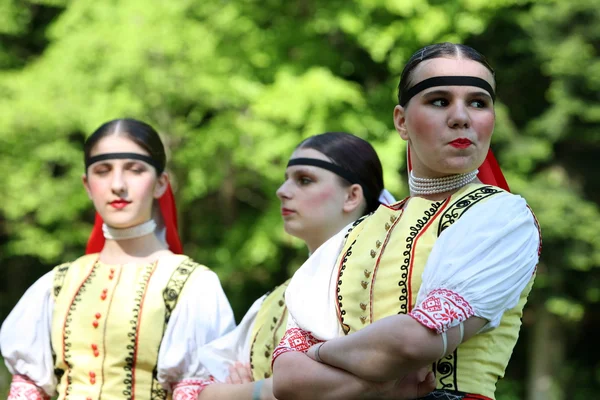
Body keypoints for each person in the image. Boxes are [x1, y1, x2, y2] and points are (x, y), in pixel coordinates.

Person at [272, 43, 542, 400]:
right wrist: (382, 385)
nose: (461, 116)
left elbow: (412, 343)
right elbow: (287, 379)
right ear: (401, 121)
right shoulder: (351, 235)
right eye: (439, 101)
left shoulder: (502, 218)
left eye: (478, 102)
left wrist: (320, 353)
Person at [0, 118, 236, 400]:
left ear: (161, 184)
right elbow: (28, 389)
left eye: (135, 170)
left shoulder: (194, 286)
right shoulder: (55, 285)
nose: (118, 184)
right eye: (103, 171)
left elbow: (197, 390)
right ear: (87, 185)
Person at [193, 132, 434, 399]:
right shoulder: (271, 301)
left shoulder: (387, 277)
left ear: (352, 196)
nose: (282, 192)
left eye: (304, 180)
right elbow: (192, 389)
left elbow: (400, 377)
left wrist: (245, 392)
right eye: (286, 180)